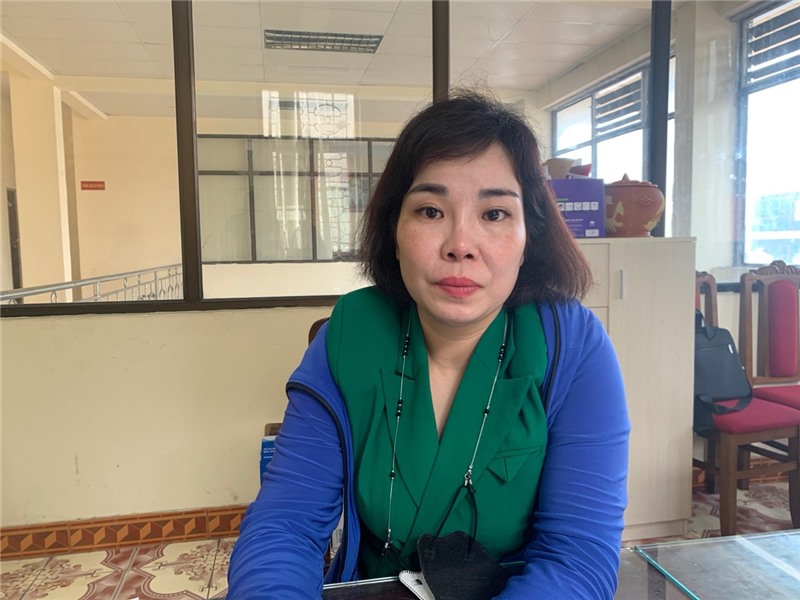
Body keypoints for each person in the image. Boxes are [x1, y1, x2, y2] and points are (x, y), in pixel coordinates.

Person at [228, 90, 630, 599]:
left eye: (495, 214)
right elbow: (285, 524)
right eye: (431, 210)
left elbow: (579, 557)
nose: (460, 244)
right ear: (394, 230)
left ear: (530, 236)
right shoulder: (349, 339)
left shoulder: (572, 347)